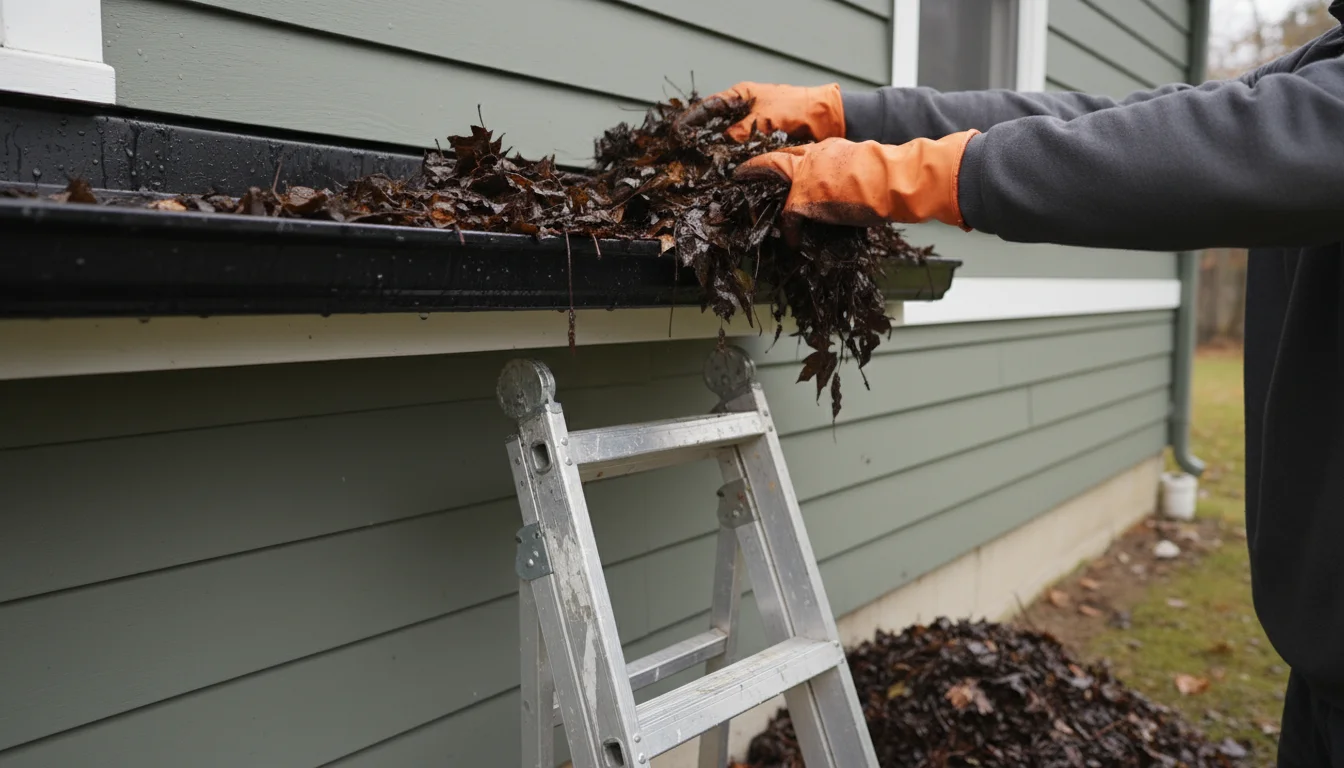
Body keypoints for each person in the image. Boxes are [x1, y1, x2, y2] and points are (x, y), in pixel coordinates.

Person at [686, 3, 1344, 766]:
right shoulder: (1324, 62)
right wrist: (848, 116)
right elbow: (1117, 119)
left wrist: (919, 177)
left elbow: (1218, 147)